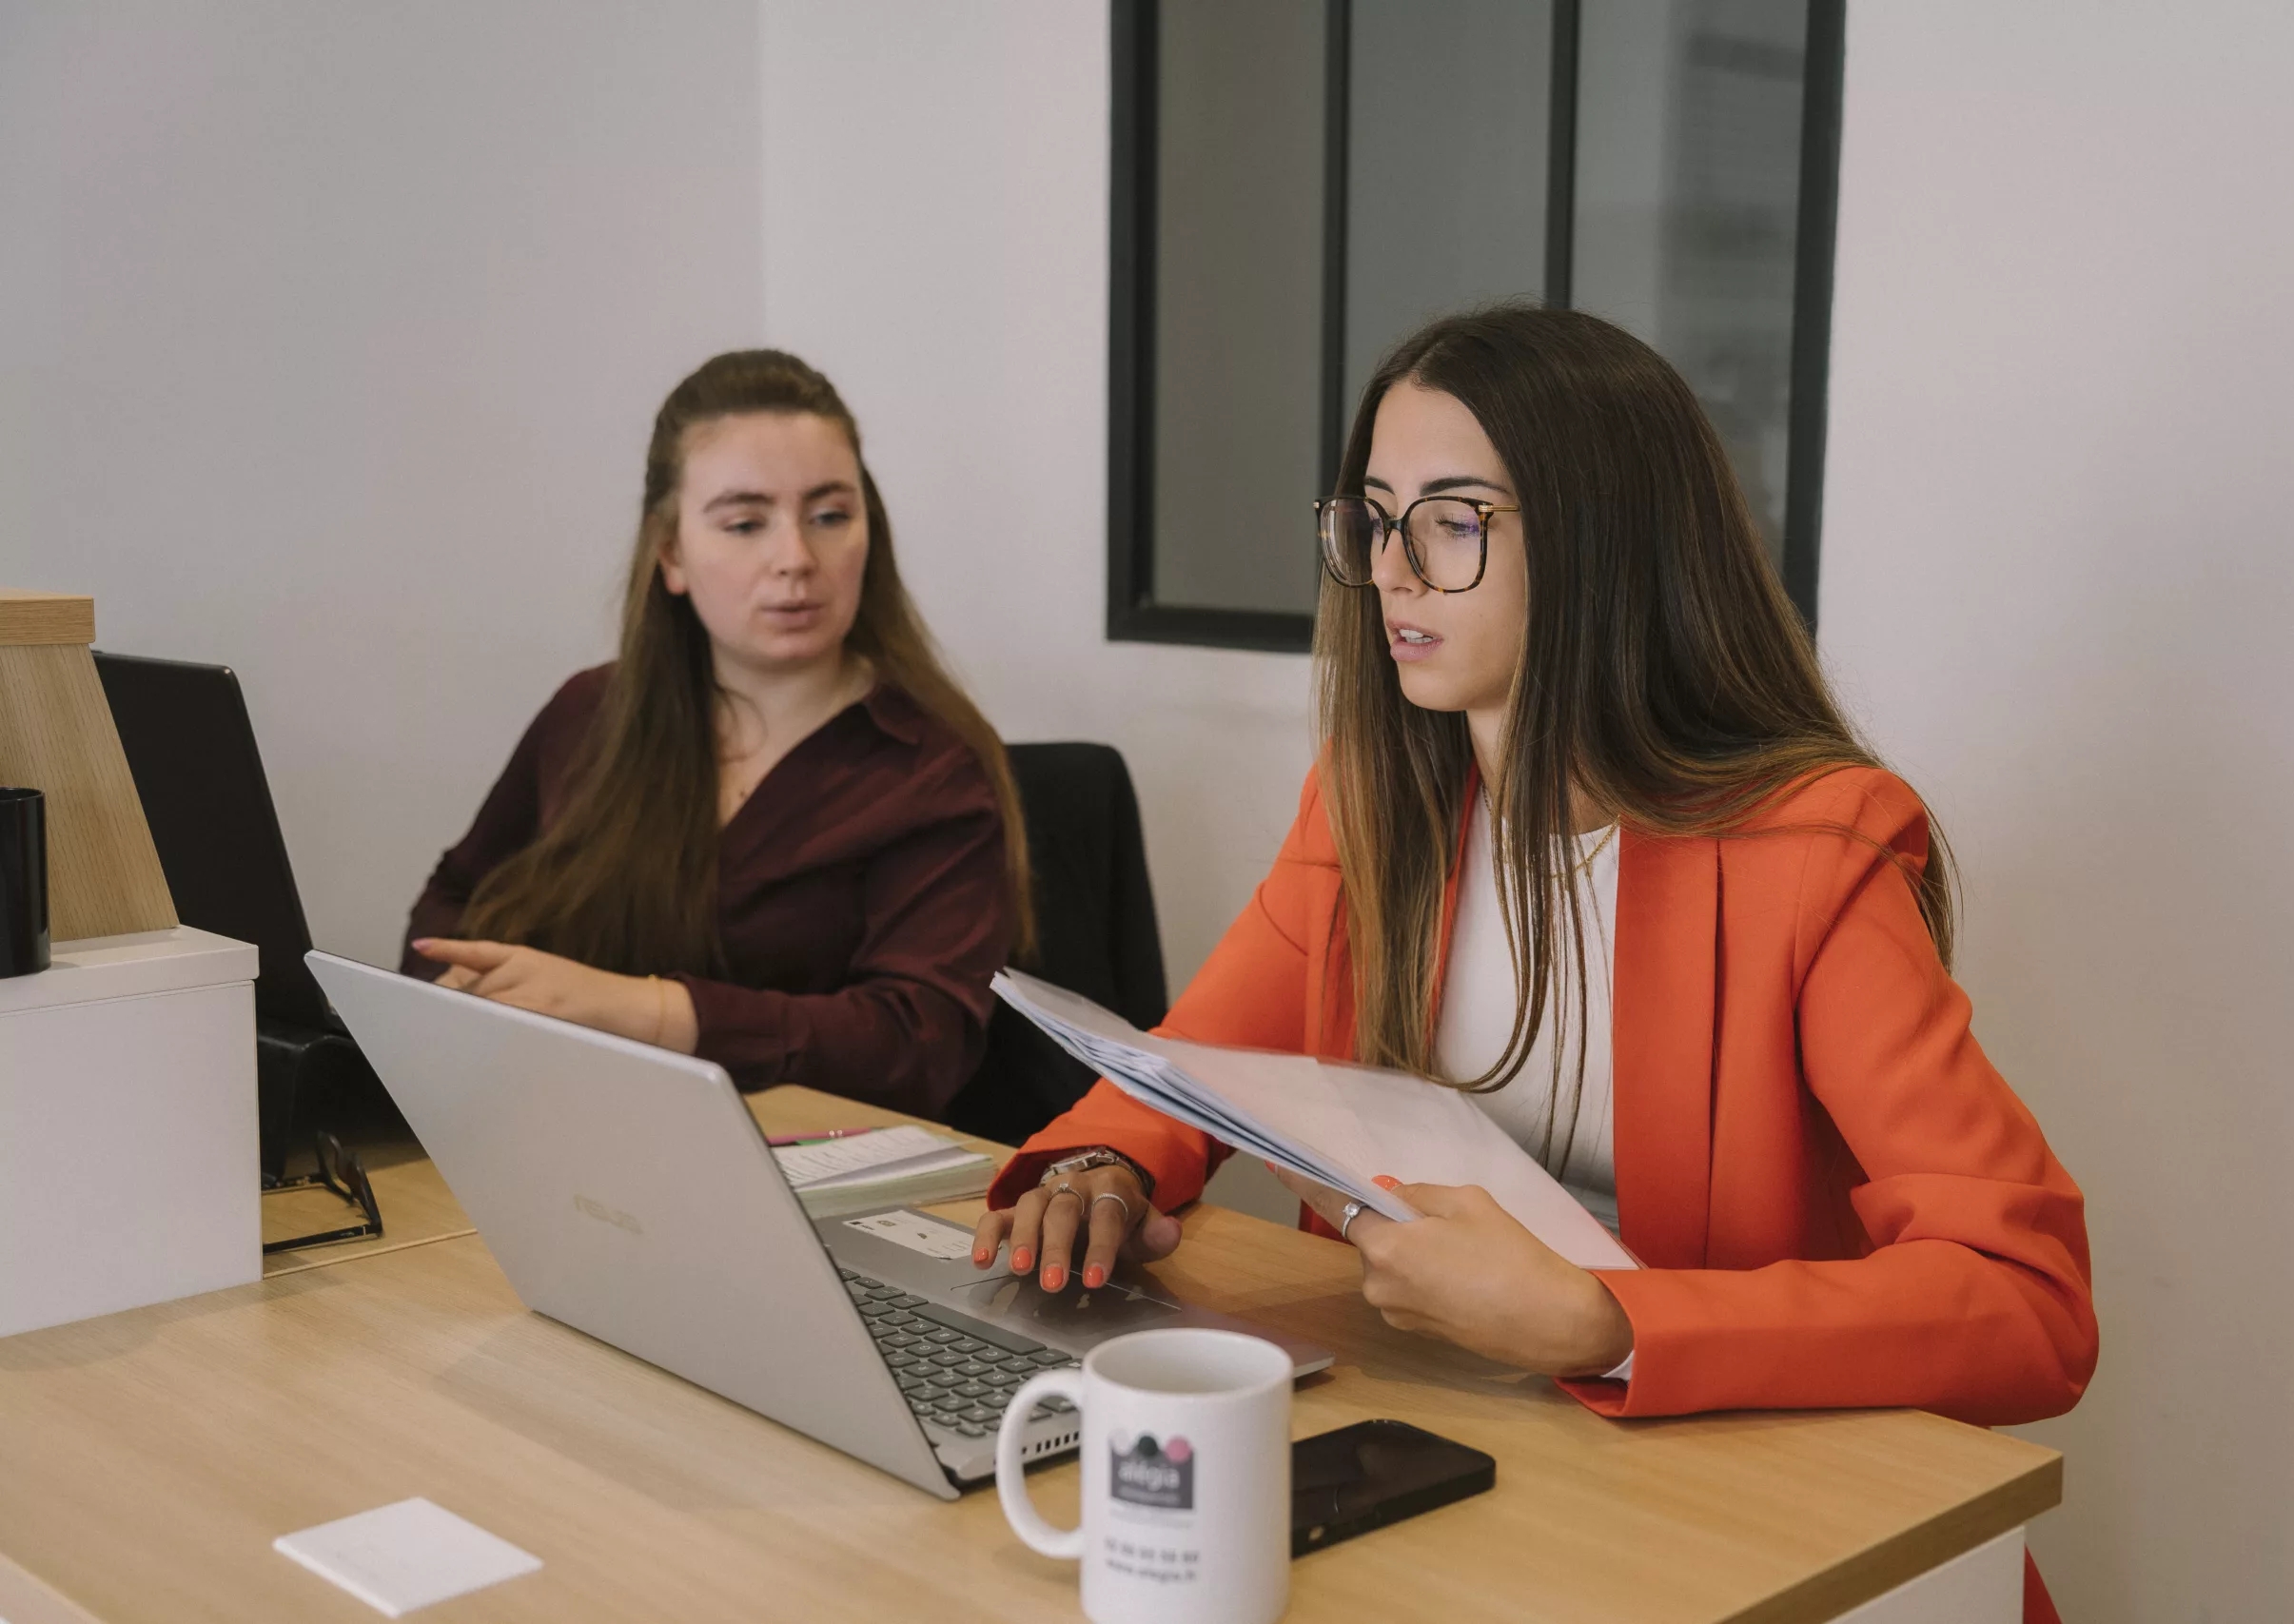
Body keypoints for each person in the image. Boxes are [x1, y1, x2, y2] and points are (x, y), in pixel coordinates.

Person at [971, 308, 2094, 1622]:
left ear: (1605, 545)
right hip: (1462, 1473)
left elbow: (2030, 1303)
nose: (1391, 570)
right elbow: (1179, 1068)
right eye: (1376, 518)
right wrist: (1101, 1165)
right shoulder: (1368, 803)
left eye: (1452, 521)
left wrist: (1606, 1319)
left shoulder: (1817, 852)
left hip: (1741, 1512)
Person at [402, 349, 1028, 1117]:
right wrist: (466, 997)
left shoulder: (929, 766)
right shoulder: (589, 712)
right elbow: (454, 900)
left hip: (814, 1169)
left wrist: (639, 1008)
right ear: (671, 553)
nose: (796, 559)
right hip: (573, 1125)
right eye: (745, 523)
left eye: (831, 515)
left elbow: (916, 1045)